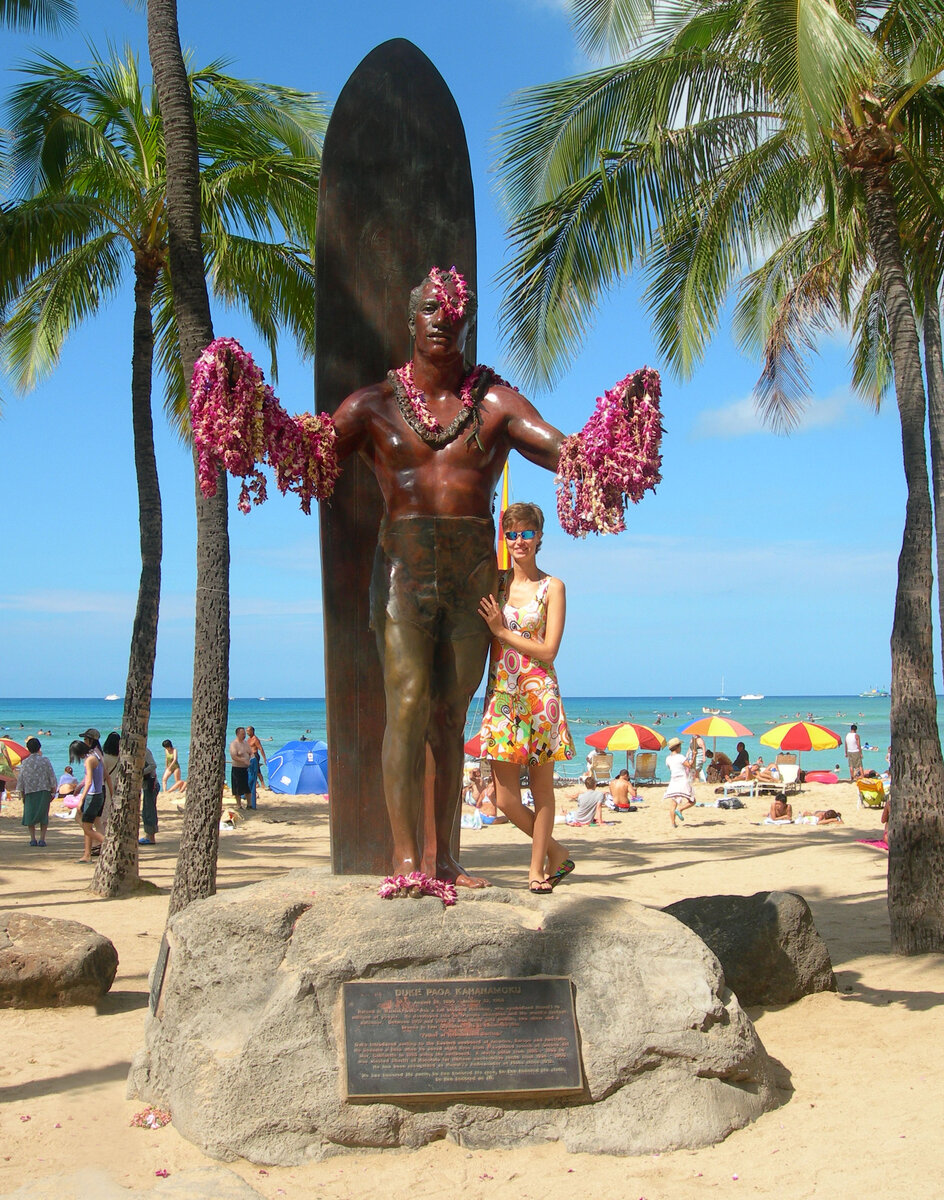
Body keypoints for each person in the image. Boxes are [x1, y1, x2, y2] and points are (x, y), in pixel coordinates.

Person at [331, 271, 573, 887]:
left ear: (467, 322)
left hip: (471, 573)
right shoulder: (373, 405)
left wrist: (604, 449)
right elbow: (306, 455)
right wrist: (250, 418)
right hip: (402, 570)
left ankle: (445, 860)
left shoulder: (494, 402)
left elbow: (553, 446)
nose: (443, 318)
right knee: (408, 705)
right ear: (412, 320)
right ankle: (406, 860)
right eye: (431, 309)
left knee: (449, 715)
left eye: (454, 310)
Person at [477, 501, 576, 892]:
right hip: (503, 697)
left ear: (539, 538)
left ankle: (537, 870)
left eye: (527, 533)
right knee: (504, 800)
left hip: (539, 699)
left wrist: (502, 634)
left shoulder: (553, 587)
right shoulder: (496, 583)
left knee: (542, 790)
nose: (519, 540)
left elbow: (549, 650)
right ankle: (556, 851)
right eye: (512, 533)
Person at [17, 737, 58, 846]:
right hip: (44, 790)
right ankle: (42, 839)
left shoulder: (25, 762)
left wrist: (21, 793)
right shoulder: (45, 760)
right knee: (43, 815)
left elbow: (21, 779)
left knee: (30, 815)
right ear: (39, 747)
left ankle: (32, 838)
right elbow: (51, 776)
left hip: (29, 791)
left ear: (28, 749)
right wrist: (54, 790)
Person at [70, 739, 105, 862]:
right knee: (87, 825)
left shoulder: (89, 760)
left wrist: (81, 799)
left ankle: (108, 845)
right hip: (99, 794)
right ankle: (87, 854)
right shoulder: (96, 754)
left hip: (93, 796)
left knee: (87, 828)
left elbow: (89, 781)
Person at [664, 736, 695, 827]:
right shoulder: (680, 757)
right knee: (692, 800)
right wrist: (694, 755)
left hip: (673, 781)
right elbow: (689, 765)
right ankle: (680, 809)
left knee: (673, 803)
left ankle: (673, 823)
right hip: (683, 781)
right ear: (677, 747)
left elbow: (670, 768)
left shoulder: (668, 759)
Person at [139, 745, 159, 845]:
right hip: (146, 785)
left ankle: (151, 837)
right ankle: (148, 835)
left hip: (151, 785)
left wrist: (140, 773)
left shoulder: (144, 751)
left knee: (149, 811)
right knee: (146, 811)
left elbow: (153, 765)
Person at [229, 727, 252, 808]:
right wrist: (243, 760)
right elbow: (234, 756)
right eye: (242, 734)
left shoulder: (245, 743)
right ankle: (239, 805)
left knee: (247, 787)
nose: (244, 735)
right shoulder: (234, 744)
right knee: (237, 788)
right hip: (237, 768)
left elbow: (250, 753)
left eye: (245, 734)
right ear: (237, 734)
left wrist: (251, 760)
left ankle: (249, 804)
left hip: (246, 769)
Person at [101, 731, 120, 830]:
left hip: (107, 786)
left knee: (106, 810)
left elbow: (103, 775)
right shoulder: (122, 757)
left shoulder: (105, 757)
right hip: (119, 784)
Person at [246, 725, 267, 809]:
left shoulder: (255, 739)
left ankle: (262, 784)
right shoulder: (248, 739)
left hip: (255, 756)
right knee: (250, 772)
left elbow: (261, 749)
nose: (247, 732)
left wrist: (264, 758)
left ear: (252, 731)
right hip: (249, 757)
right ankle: (257, 784)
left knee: (257, 771)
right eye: (246, 731)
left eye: (248, 731)